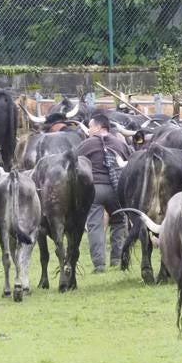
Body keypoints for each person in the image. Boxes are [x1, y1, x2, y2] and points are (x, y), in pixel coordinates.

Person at [76, 112, 131, 272]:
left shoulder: (87, 144)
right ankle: (117, 259)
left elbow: (74, 162)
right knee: (119, 222)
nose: (89, 129)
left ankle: (99, 265)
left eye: (91, 126)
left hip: (95, 190)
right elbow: (130, 161)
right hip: (116, 190)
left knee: (95, 226)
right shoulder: (120, 144)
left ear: (99, 127)